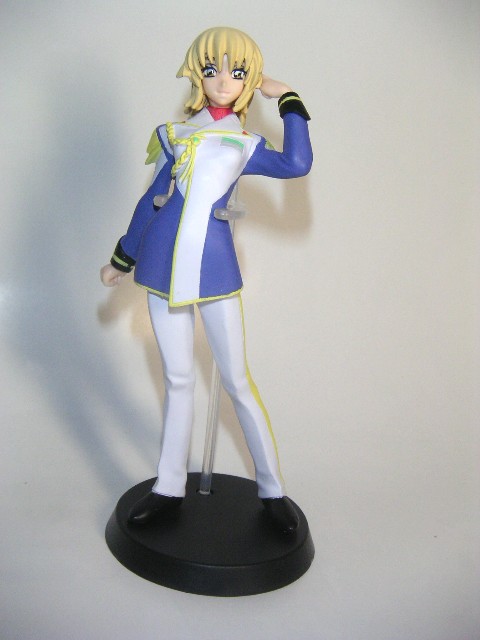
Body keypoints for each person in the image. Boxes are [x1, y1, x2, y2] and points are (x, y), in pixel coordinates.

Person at [100, 26, 312, 534]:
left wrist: (287, 98)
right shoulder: (173, 136)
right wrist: (123, 258)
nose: (223, 81)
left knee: (237, 381)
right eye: (213, 69)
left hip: (215, 273)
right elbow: (150, 204)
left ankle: (272, 489)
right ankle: (169, 486)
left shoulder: (246, 143)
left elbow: (297, 163)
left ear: (250, 81)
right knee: (177, 381)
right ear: (197, 74)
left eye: (238, 72)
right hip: (161, 270)